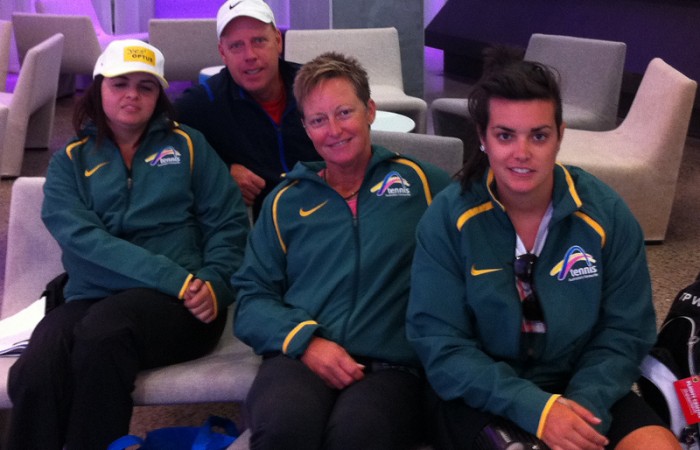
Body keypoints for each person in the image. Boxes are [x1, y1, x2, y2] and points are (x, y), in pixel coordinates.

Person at [406, 51, 681, 450]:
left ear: (560, 134)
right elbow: (440, 343)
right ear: (482, 138)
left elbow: (625, 331)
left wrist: (579, 406)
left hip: (582, 386)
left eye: (538, 135)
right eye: (505, 135)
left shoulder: (607, 215)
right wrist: (536, 409)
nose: (522, 153)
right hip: (482, 392)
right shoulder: (449, 219)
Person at [6, 39, 249, 450]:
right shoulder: (71, 159)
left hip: (182, 307)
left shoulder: (189, 145)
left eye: (146, 85)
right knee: (38, 366)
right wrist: (173, 277)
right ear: (99, 87)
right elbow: (84, 241)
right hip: (99, 295)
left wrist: (213, 283)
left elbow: (229, 225)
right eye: (120, 83)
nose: (132, 94)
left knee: (102, 336)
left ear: (159, 95)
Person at [231, 52, 452, 450]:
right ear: (305, 127)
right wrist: (307, 343)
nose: (333, 130)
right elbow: (251, 297)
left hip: (391, 366)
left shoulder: (423, 184)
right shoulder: (284, 200)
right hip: (299, 356)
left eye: (344, 112)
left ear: (370, 110)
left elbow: (479, 243)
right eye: (318, 119)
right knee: (284, 428)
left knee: (357, 437)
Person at [174, 0, 319, 219]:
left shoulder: (313, 86)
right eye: (236, 46)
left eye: (259, 40)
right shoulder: (204, 102)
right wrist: (221, 171)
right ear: (223, 53)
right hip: (261, 227)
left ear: (278, 41)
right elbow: (162, 150)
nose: (249, 55)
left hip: (327, 208)